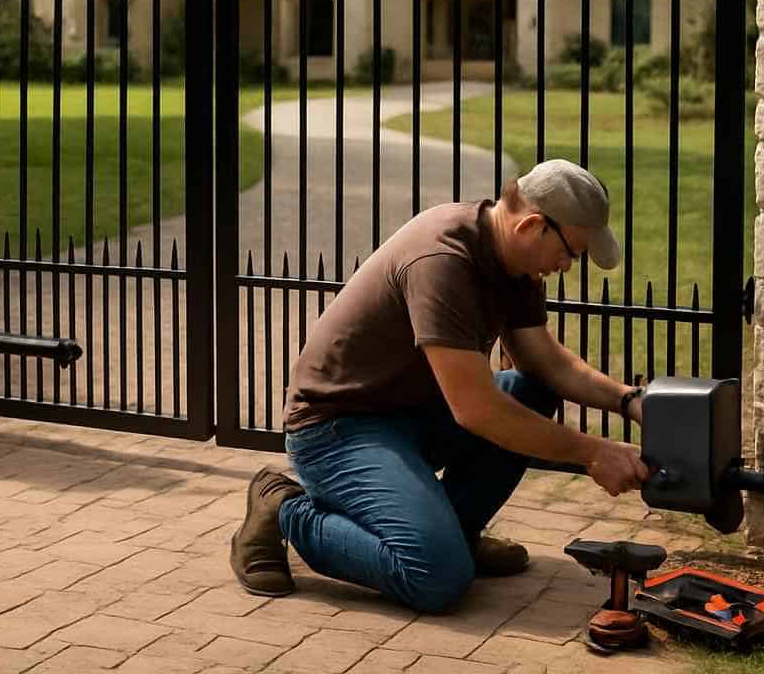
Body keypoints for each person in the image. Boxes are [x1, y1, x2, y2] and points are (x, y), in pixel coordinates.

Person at [229, 158, 652, 613]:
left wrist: (629, 401)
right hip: (338, 430)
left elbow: (546, 362)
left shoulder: (516, 264)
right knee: (436, 576)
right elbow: (477, 410)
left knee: (534, 388)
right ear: (532, 226)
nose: (567, 266)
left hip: (415, 415)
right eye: (570, 252)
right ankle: (286, 508)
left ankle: (454, 532)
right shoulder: (444, 260)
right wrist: (593, 452)